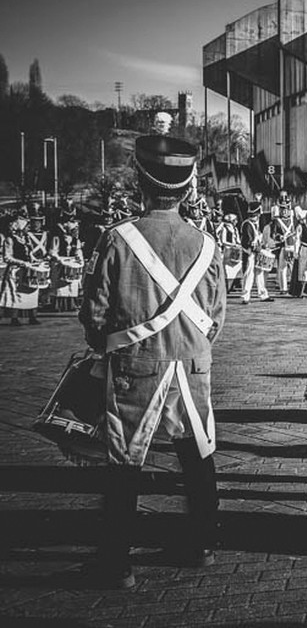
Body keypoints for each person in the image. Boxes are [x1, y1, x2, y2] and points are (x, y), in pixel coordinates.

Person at [79, 135, 226, 589]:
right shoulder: (207, 244)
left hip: (137, 362)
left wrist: (109, 342)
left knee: (124, 461)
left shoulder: (117, 239)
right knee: (197, 452)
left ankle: (117, 561)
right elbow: (216, 317)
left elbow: (95, 313)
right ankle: (202, 542)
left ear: (140, 183)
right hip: (192, 363)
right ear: (185, 189)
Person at [1, 209, 43, 325]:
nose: (28, 228)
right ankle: (14, 318)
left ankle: (32, 317)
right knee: (15, 294)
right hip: (15, 271)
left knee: (32, 292)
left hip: (27, 270)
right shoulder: (10, 240)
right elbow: (7, 257)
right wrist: (23, 263)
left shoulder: (26, 239)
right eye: (27, 226)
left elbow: (29, 254)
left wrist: (35, 261)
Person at [49, 202, 84, 312]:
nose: (74, 232)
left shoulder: (75, 240)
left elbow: (78, 250)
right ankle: (58, 305)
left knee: (72, 285)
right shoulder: (57, 238)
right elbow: (52, 252)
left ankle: (71, 304)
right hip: (60, 263)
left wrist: (79, 259)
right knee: (60, 286)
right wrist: (60, 260)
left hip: (71, 263)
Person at [238, 202, 272, 304]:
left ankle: (263, 294)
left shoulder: (255, 224)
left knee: (259, 274)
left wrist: (263, 247)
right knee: (248, 274)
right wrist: (259, 249)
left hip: (256, 252)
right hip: (249, 254)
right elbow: (247, 242)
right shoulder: (247, 224)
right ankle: (245, 296)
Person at [215, 212, 243, 291]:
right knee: (227, 269)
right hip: (227, 250)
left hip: (234, 250)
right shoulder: (225, 228)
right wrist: (232, 244)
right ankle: (227, 286)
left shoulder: (235, 229)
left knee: (237, 267)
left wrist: (238, 244)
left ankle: (235, 284)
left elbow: (238, 239)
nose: (236, 222)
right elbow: (223, 240)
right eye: (235, 220)